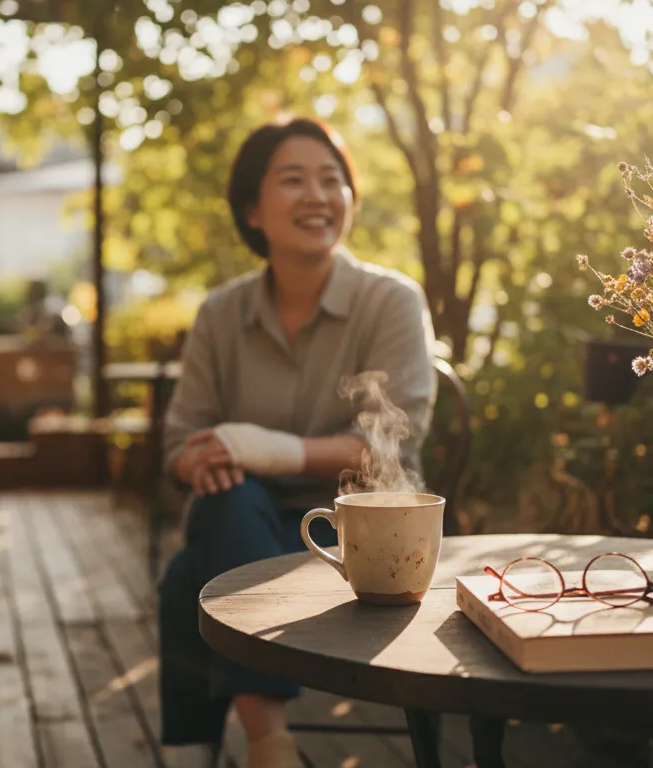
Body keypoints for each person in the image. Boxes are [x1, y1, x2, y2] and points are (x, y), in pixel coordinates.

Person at [157, 116, 438, 768]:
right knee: (228, 503)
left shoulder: (390, 300)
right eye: (294, 180)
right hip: (247, 527)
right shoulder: (221, 315)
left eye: (332, 180)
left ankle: (209, 749)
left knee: (184, 577)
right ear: (253, 210)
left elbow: (384, 448)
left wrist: (257, 448)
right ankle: (271, 747)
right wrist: (196, 458)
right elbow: (178, 441)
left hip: (365, 539)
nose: (318, 195)